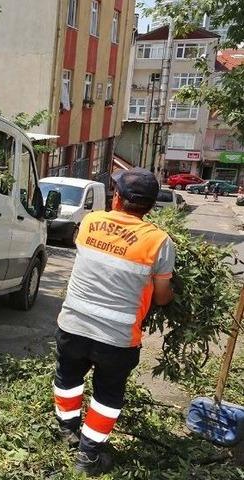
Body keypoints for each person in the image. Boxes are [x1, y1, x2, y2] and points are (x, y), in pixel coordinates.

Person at [52, 168, 175, 476]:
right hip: (118, 339)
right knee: (107, 396)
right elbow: (162, 297)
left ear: (117, 198)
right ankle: (88, 454)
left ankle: (68, 431)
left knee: (68, 380)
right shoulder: (159, 242)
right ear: (150, 206)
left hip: (74, 326)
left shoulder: (90, 223)